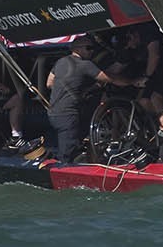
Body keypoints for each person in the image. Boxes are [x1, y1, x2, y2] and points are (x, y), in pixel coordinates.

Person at [45, 35, 143, 164]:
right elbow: (109, 78)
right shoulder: (85, 65)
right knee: (68, 153)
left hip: (53, 113)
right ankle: (64, 176)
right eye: (89, 48)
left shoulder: (60, 62)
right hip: (68, 114)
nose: (92, 51)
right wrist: (132, 82)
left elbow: (49, 83)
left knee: (72, 144)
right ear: (78, 49)